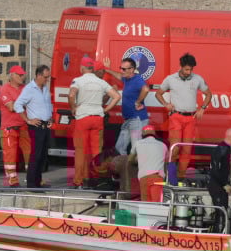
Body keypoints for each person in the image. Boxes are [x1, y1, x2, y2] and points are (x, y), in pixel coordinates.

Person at [157, 52, 211, 184]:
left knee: (187, 149)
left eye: (191, 69)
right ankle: (170, 176)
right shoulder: (170, 79)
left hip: (191, 118)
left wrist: (202, 108)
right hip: (176, 116)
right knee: (175, 148)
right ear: (180, 66)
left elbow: (209, 94)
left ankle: (180, 177)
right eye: (187, 69)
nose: (189, 72)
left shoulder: (197, 79)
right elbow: (158, 94)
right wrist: (166, 104)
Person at [68, 55, 120, 188]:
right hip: (98, 119)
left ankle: (79, 181)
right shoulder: (100, 82)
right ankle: (95, 179)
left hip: (83, 118)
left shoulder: (78, 81)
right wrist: (105, 109)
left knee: (80, 151)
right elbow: (116, 96)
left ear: (82, 68)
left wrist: (73, 107)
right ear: (92, 68)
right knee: (96, 152)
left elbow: (72, 94)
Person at [101, 55, 150, 156]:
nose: (121, 71)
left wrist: (138, 102)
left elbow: (146, 89)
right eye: (121, 68)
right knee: (119, 148)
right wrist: (107, 69)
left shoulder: (137, 79)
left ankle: (136, 166)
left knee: (135, 150)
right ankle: (124, 165)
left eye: (124, 69)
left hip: (137, 120)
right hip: (129, 119)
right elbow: (119, 75)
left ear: (132, 69)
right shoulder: (127, 79)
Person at [14, 64, 53, 188]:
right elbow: (17, 105)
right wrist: (28, 120)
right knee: (36, 155)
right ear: (39, 75)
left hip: (46, 125)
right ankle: (31, 183)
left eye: (48, 77)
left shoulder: (45, 88)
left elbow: (48, 104)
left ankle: (38, 181)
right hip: (36, 126)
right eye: (45, 77)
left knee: (43, 156)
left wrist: (50, 117)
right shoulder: (29, 89)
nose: (47, 80)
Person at [0, 65, 33, 187]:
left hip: (24, 125)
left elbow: (32, 104)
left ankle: (32, 178)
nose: (22, 77)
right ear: (12, 75)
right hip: (9, 127)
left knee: (29, 152)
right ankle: (12, 180)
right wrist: (24, 103)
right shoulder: (4, 89)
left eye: (23, 75)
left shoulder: (25, 88)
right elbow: (11, 107)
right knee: (10, 155)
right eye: (19, 75)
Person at [206, 127, 231, 232]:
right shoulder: (222, 149)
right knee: (221, 213)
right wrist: (224, 184)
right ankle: (217, 235)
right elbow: (215, 169)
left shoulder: (224, 148)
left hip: (218, 183)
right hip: (216, 184)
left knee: (221, 212)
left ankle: (218, 233)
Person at [132, 125, 168, 202]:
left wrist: (137, 160)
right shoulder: (163, 145)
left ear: (142, 135)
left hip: (143, 177)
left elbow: (130, 160)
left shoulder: (137, 143)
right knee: (156, 204)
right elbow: (166, 162)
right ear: (154, 134)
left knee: (145, 205)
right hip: (157, 177)